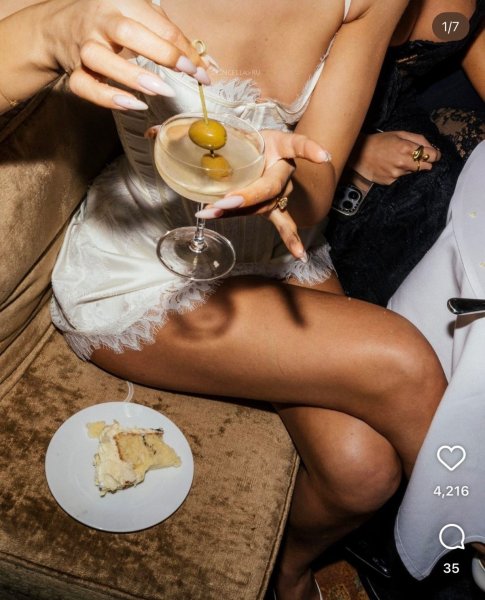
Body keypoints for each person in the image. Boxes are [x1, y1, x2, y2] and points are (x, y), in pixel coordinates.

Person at [2, 2, 448, 599]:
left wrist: (282, 186)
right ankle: (468, 544)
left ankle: (287, 569)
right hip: (143, 263)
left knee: (360, 473)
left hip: (276, 247)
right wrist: (48, 31)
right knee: (404, 361)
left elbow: (318, 186)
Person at [325, 0, 485, 306]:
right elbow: (263, 96)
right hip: (319, 127)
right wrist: (358, 153)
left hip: (394, 107)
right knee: (424, 202)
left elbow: (467, 28)